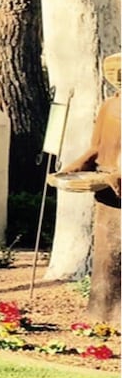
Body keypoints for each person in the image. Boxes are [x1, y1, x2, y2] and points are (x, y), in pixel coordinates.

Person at [59, 53, 120, 322]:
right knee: (107, 257)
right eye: (116, 72)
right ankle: (103, 313)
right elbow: (96, 147)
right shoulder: (108, 106)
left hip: (117, 182)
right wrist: (74, 167)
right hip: (106, 191)